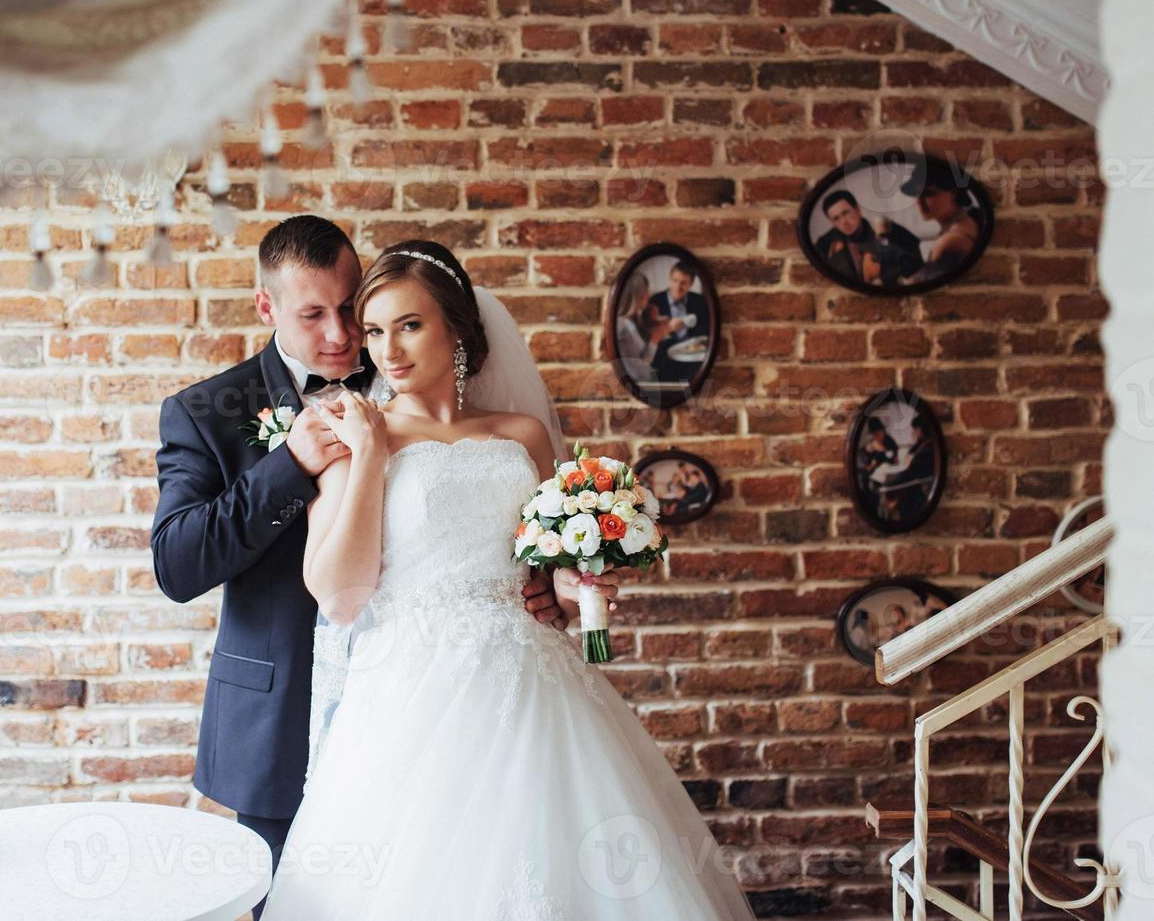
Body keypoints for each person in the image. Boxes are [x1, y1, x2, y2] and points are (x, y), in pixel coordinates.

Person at [260, 241, 755, 919]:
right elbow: (338, 593)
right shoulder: (351, 431)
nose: (387, 351)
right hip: (410, 693)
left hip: (533, 685)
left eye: (409, 325)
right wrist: (373, 452)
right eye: (375, 331)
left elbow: (546, 580)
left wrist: (586, 590)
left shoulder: (522, 435)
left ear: (457, 328)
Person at [148, 217, 606, 919]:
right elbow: (179, 565)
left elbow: (508, 536)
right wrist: (290, 465)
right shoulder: (209, 412)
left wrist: (552, 587)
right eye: (313, 315)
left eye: (349, 310)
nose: (343, 337)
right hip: (284, 707)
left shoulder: (403, 374)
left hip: (465, 690)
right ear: (268, 308)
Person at [814, 189, 924, 287]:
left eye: (846, 213)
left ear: (857, 210)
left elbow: (916, 269)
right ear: (832, 223)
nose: (844, 222)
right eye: (836, 218)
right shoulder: (825, 245)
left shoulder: (888, 233)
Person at [899, 161, 984, 284]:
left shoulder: (951, 241)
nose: (919, 202)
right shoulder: (969, 220)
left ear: (954, 193)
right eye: (917, 194)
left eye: (928, 193)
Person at [643, 259, 710, 382]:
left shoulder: (700, 302)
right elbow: (647, 335)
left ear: (691, 283)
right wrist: (668, 328)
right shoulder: (655, 301)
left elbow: (706, 333)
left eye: (684, 283)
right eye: (675, 281)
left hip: (693, 362)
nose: (678, 287)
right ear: (669, 279)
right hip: (664, 362)